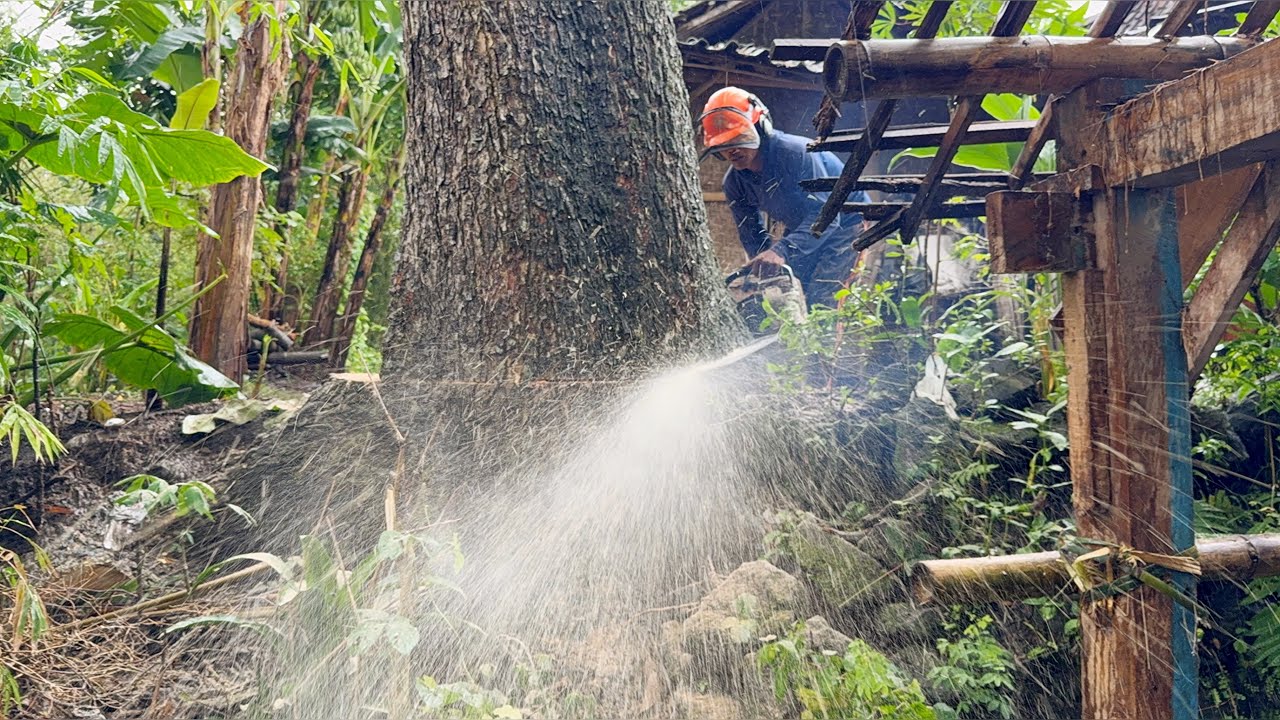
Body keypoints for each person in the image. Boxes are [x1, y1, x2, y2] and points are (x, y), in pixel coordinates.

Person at [699, 87, 870, 310]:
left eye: (739, 138)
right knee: (791, 288)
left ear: (760, 128)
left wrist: (781, 250)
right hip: (804, 227)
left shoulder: (795, 153)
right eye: (724, 144)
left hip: (846, 222)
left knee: (825, 296)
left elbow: (826, 215)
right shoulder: (734, 183)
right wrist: (762, 262)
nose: (733, 150)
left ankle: (833, 333)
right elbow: (750, 232)